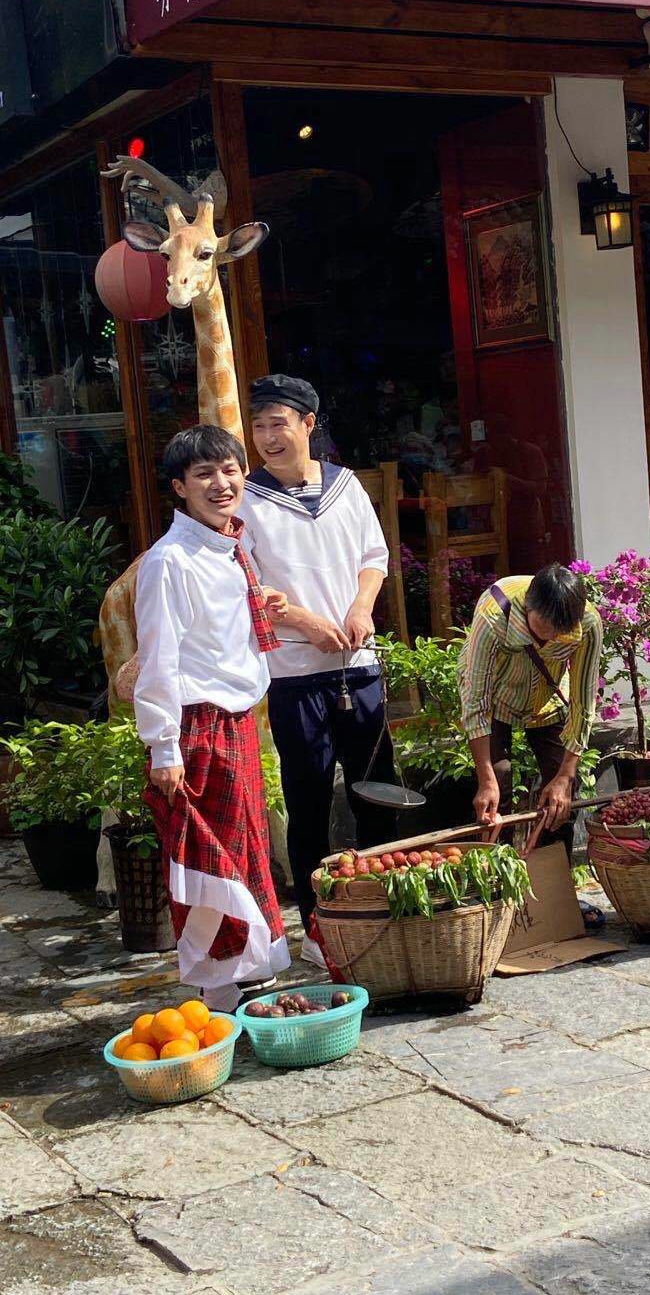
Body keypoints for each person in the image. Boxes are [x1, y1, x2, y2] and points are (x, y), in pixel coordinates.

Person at [235, 375, 396, 970]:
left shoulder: (346, 486)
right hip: (295, 674)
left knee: (377, 792)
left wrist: (359, 609)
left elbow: (373, 559)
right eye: (258, 427)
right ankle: (317, 925)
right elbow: (251, 585)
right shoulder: (245, 503)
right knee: (308, 802)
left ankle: (385, 905)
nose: (268, 438)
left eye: (279, 423)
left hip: (358, 667)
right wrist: (304, 622)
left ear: (308, 424)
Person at [134, 425, 291, 1012]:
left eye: (229, 470)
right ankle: (220, 987)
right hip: (199, 726)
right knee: (213, 854)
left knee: (246, 846)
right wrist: (164, 747)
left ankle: (247, 975)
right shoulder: (169, 562)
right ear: (179, 487)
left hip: (239, 721)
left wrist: (264, 605)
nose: (221, 484)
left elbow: (220, 635)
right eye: (203, 475)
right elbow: (160, 659)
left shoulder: (232, 547)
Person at [457, 566, 602, 854]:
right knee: (497, 784)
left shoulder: (587, 622)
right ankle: (500, 878)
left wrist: (565, 776)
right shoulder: (493, 614)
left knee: (562, 794)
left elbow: (584, 700)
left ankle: (551, 882)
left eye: (558, 632)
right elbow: (476, 700)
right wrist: (486, 780)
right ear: (528, 607)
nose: (549, 636)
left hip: (546, 699)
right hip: (496, 697)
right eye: (544, 626)